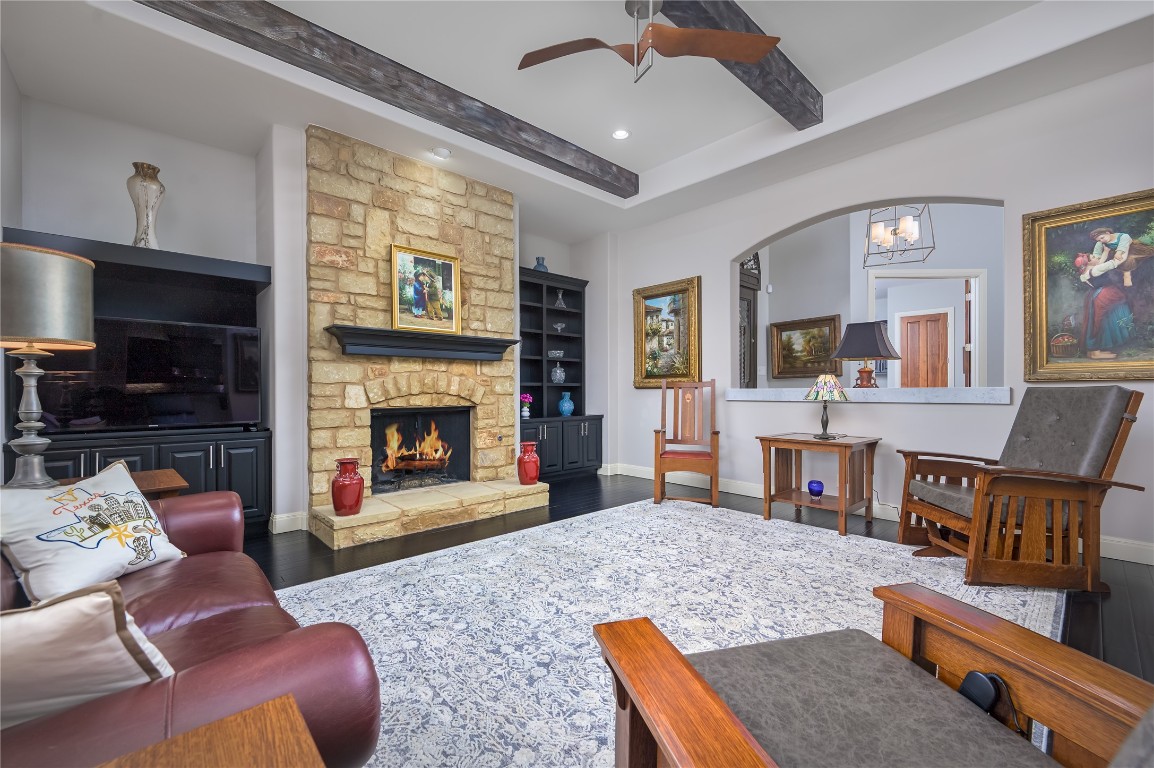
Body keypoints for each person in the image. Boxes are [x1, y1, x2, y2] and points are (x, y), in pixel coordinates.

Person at [1075, 252, 1133, 359]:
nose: (1096, 257)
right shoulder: (1095, 270)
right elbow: (1111, 264)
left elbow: (1101, 261)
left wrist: (1106, 251)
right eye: (1093, 257)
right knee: (1097, 323)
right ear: (1089, 262)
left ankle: (1092, 351)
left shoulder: (1087, 271)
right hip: (1102, 296)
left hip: (1095, 295)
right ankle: (1095, 352)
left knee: (1095, 322)